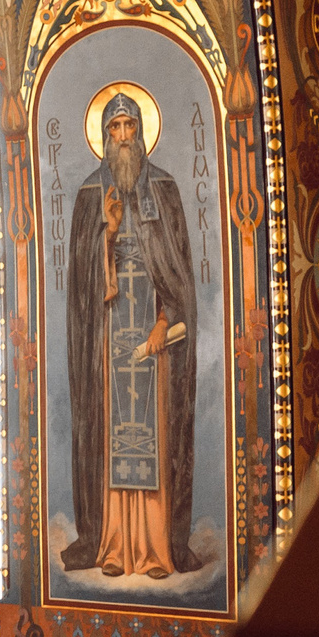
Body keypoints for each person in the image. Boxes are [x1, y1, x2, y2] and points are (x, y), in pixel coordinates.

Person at [63, 90, 199, 579]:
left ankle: (158, 548)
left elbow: (176, 268)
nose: (122, 137)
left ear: (141, 133)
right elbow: (82, 283)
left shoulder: (163, 188)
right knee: (113, 435)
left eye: (129, 127)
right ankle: (116, 546)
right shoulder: (88, 194)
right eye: (114, 128)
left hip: (154, 335)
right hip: (110, 334)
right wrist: (110, 234)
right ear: (105, 136)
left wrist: (166, 320)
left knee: (155, 434)